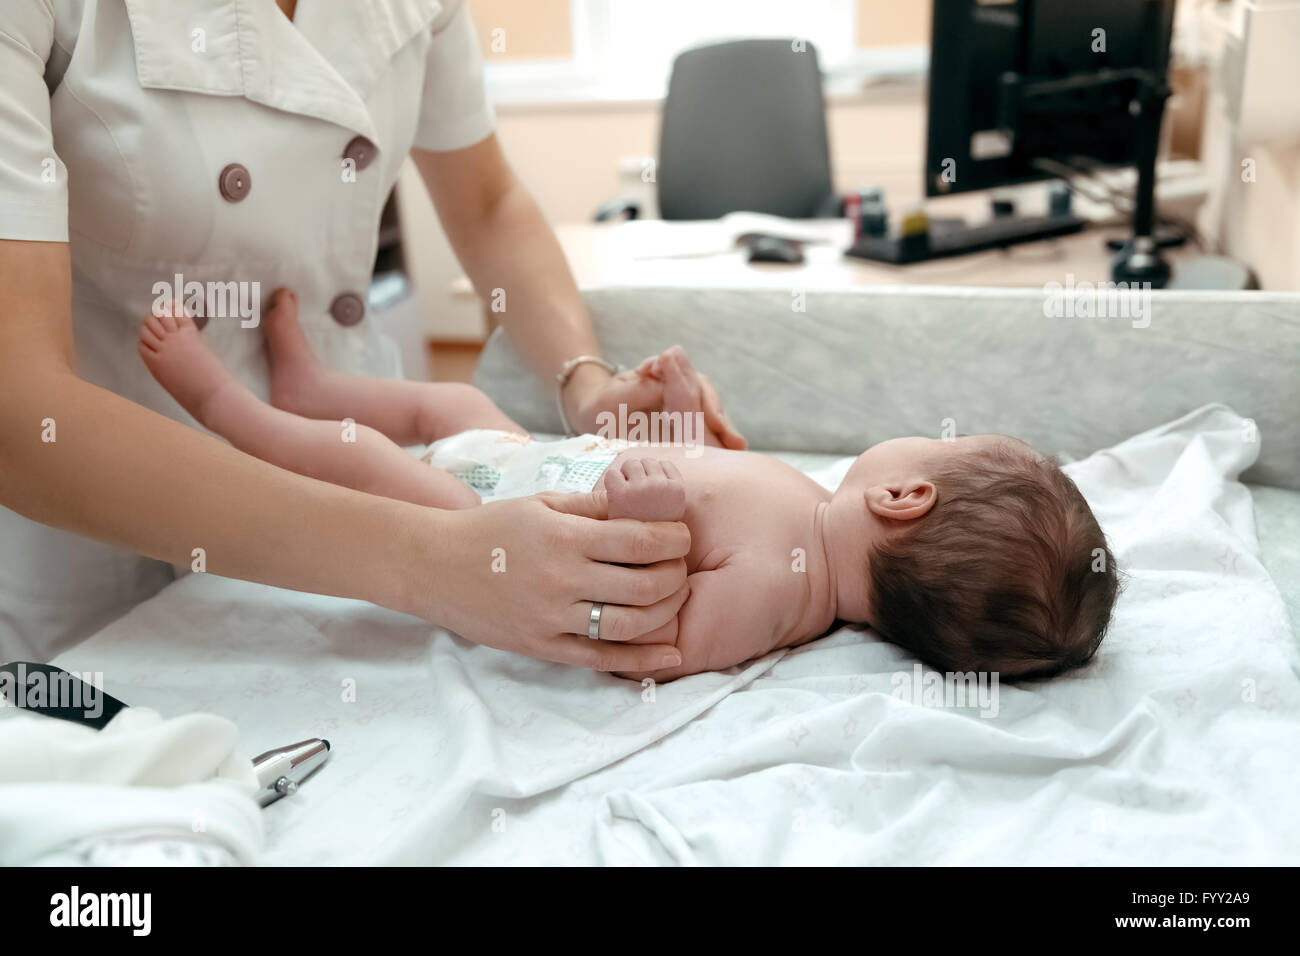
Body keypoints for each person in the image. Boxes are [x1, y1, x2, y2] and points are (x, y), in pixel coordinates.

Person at [0, 0, 742, 665]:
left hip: (354, 429)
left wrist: (589, 391)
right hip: (113, 498)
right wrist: (431, 560)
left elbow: (486, 204)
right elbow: (21, 407)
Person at [140, 293, 1120, 682]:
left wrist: (644, 510)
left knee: (360, 457)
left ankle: (223, 402)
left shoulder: (784, 596)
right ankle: (309, 383)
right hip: (533, 464)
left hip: (496, 523)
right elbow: (700, 481)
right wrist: (673, 418)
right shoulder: (802, 506)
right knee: (451, 398)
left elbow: (652, 636)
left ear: (905, 495)